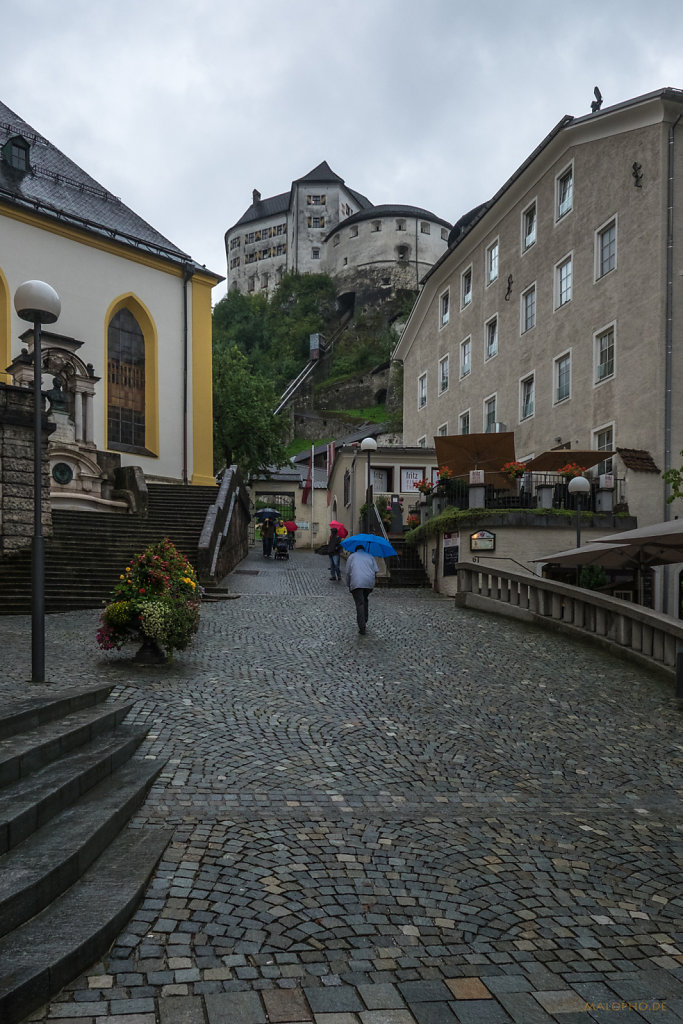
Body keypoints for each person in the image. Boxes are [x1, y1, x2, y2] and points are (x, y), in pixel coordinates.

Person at [345, 543, 378, 634]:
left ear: (356, 550)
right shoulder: (370, 556)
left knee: (359, 603)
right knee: (365, 600)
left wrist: (348, 585)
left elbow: (347, 572)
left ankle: (362, 626)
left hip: (356, 582)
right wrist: (372, 582)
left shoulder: (352, 557)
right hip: (368, 583)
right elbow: (375, 571)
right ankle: (365, 618)